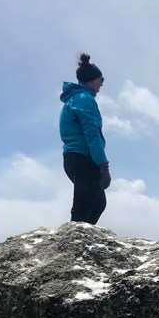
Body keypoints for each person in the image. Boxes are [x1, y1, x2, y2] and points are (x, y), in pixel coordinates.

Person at [59, 53, 111, 224]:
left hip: (75, 158)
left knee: (98, 203)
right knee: (86, 202)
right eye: (100, 80)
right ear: (92, 80)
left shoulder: (76, 98)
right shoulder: (84, 99)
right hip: (82, 157)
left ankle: (84, 243)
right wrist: (103, 165)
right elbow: (92, 133)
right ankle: (73, 245)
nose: (101, 84)